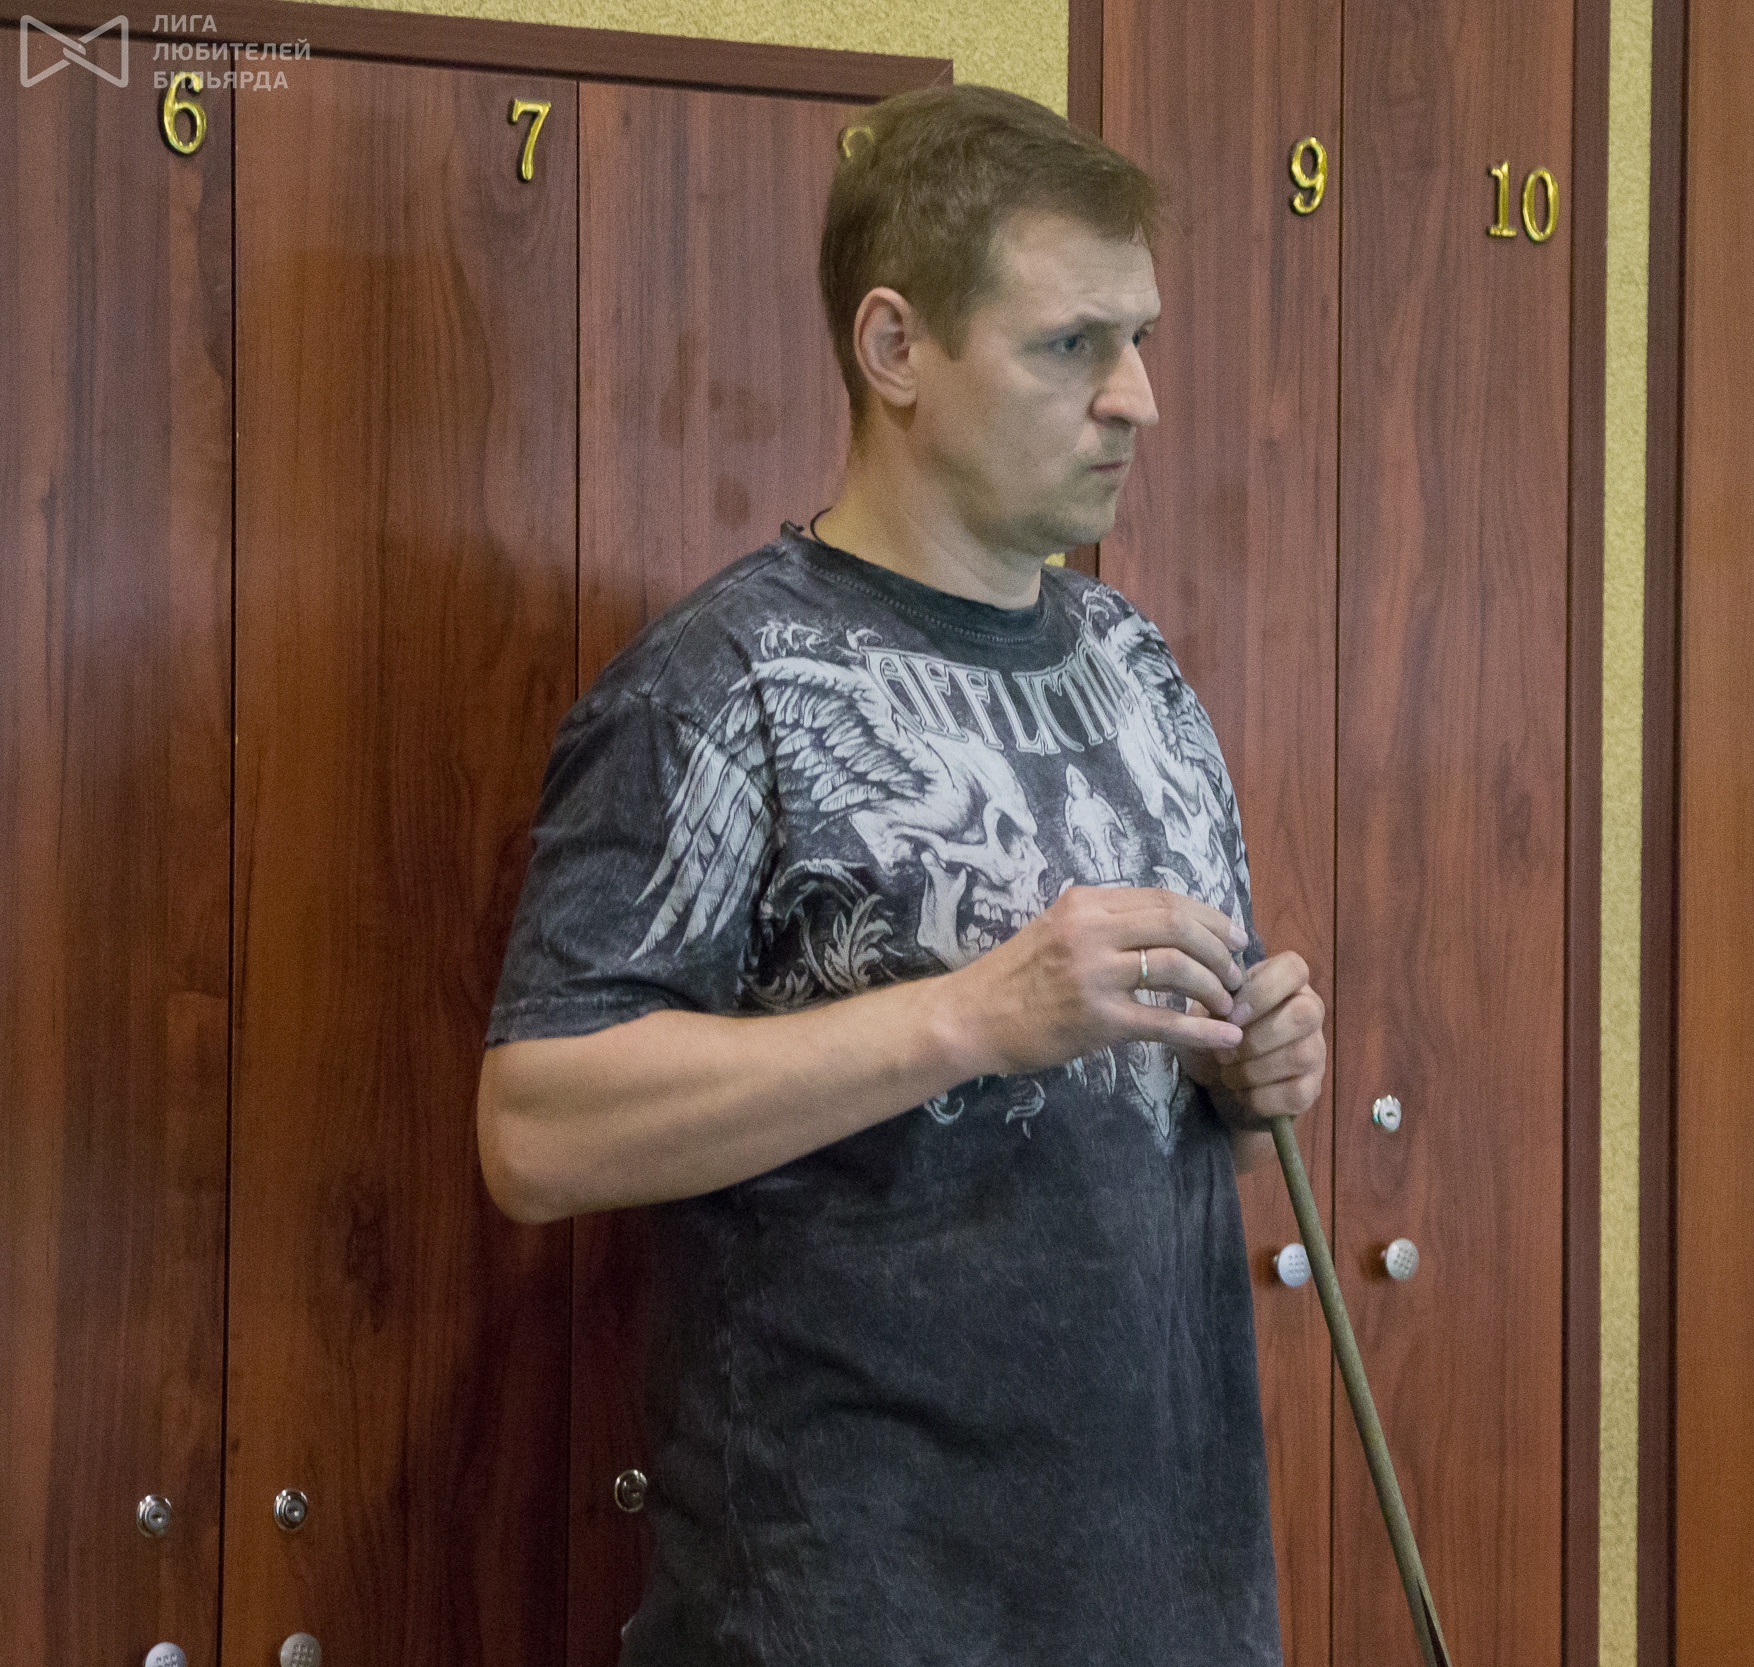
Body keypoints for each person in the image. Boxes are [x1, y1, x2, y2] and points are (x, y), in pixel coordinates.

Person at [473, 83, 1324, 1667]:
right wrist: (973, 1016)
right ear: (895, 349)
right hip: (848, 1617)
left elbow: (1168, 1128)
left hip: (1173, 1611)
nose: (1137, 399)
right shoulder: (724, 683)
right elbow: (537, 1130)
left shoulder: (1139, 669)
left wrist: (1255, 1067)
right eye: (1072, 345)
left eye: (1141, 339)